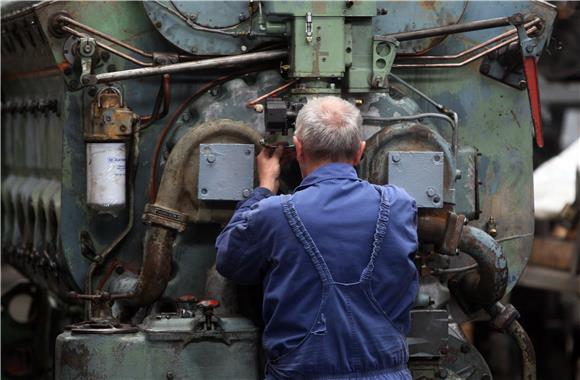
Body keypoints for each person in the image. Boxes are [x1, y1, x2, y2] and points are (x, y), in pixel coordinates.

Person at [216, 96, 419, 380]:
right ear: (360, 152)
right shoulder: (399, 205)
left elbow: (230, 261)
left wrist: (263, 189)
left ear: (298, 148)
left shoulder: (274, 213)